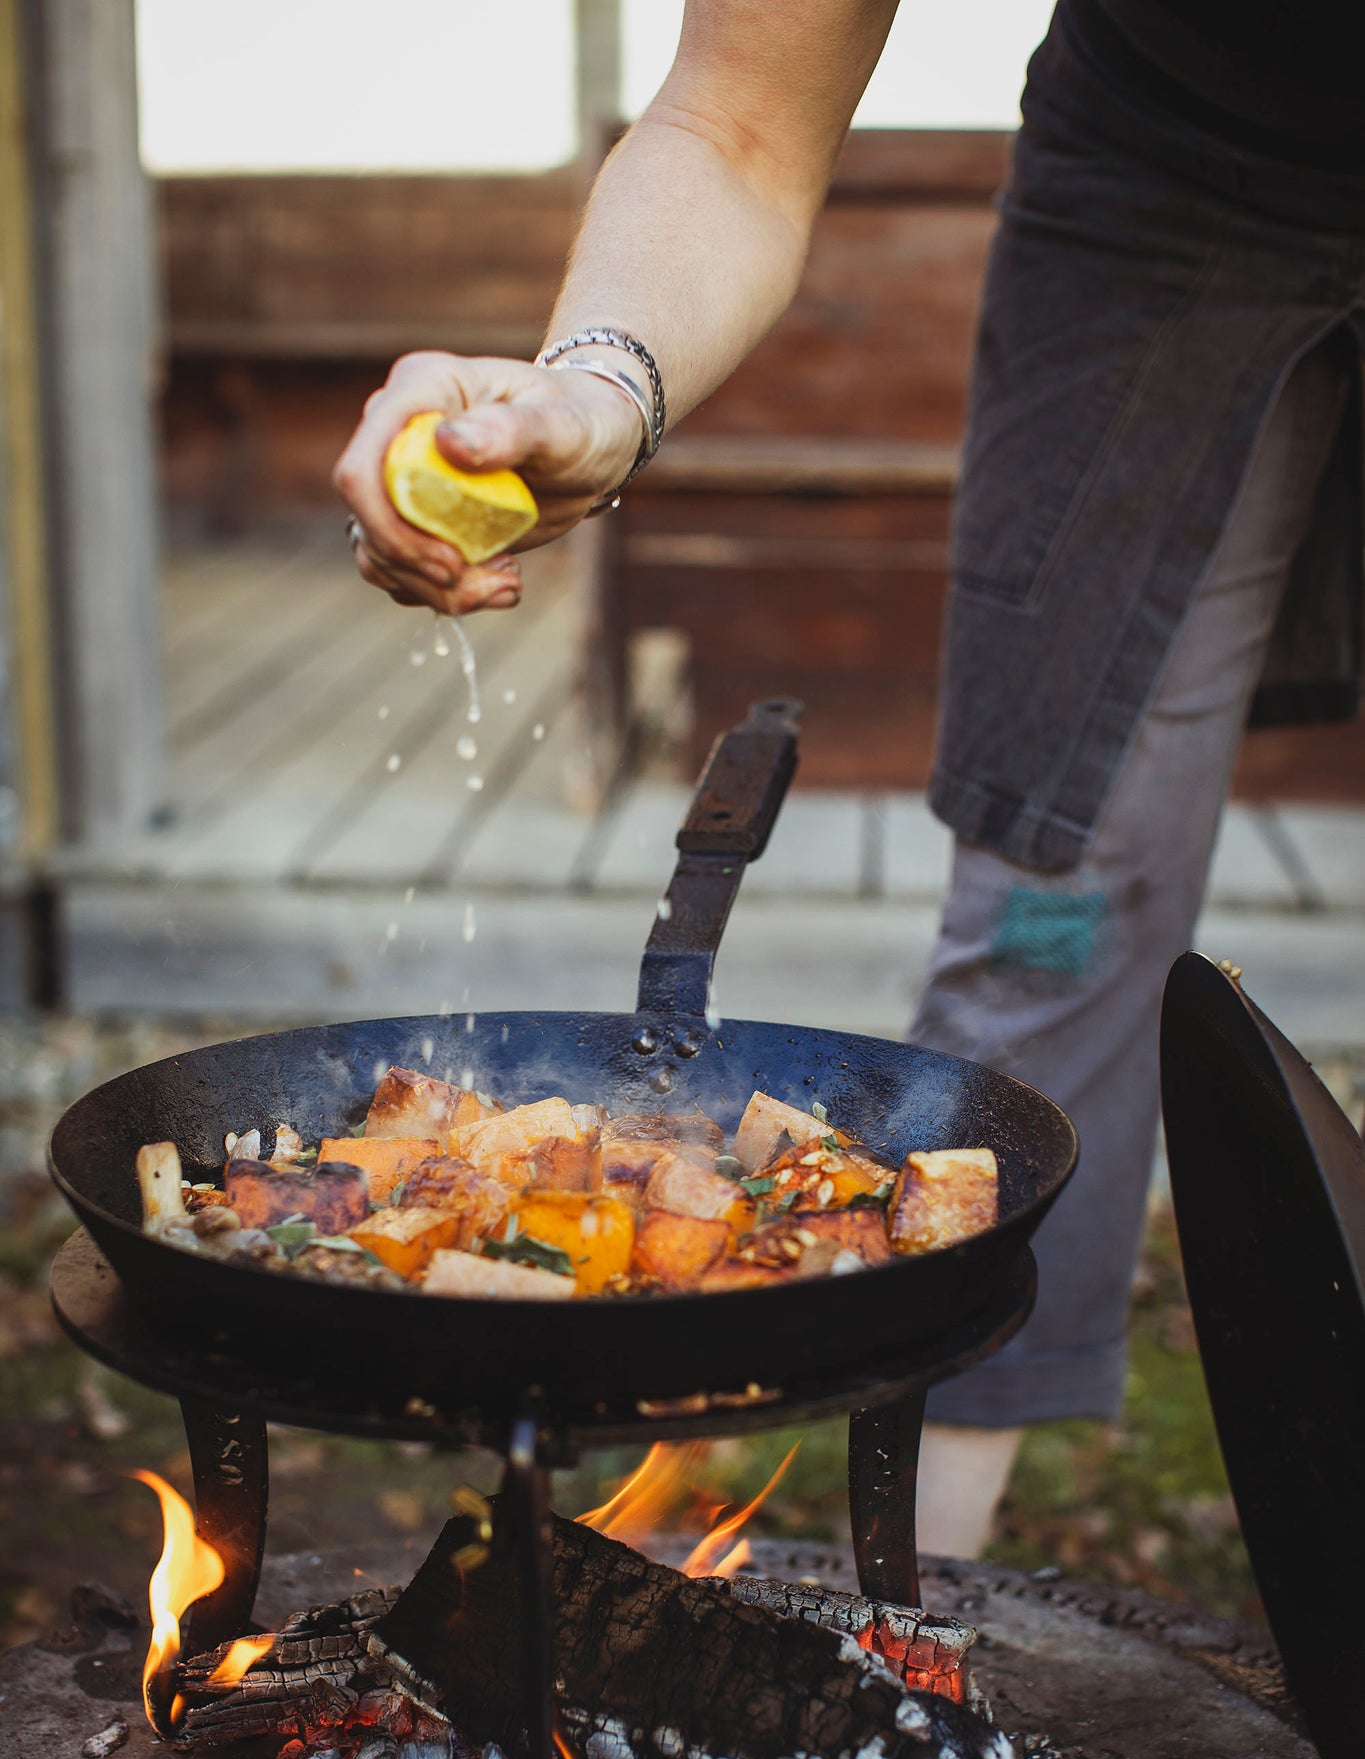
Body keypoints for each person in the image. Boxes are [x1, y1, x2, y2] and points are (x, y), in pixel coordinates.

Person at [336, 1, 1365, 1558]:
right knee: (1053, 903)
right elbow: (737, 120)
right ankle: (913, 1603)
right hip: (1183, 186)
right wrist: (596, 385)